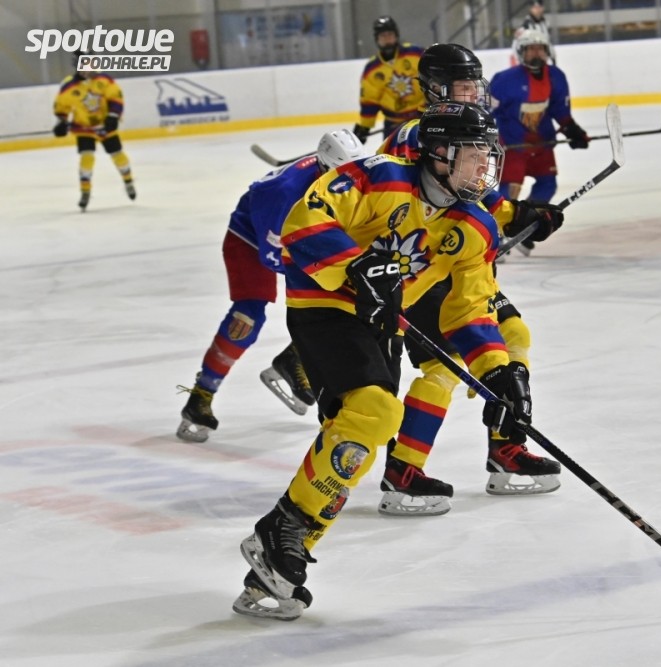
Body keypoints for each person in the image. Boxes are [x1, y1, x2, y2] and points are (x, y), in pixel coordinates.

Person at [234, 102, 535, 620]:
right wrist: (356, 267)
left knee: (355, 430)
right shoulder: (380, 177)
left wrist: (500, 373)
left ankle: (278, 561)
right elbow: (304, 220)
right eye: (472, 156)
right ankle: (282, 531)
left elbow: (470, 308)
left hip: (383, 322)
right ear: (438, 154)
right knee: (375, 411)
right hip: (324, 304)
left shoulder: (476, 226)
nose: (483, 168)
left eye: (487, 157)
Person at [375, 43, 563, 516]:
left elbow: (476, 194)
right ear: (435, 88)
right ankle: (404, 470)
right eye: (462, 86)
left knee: (513, 335)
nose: (472, 93)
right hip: (424, 269)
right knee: (446, 366)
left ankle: (506, 447)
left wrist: (524, 213)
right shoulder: (418, 135)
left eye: (473, 85)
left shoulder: (465, 126)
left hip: (463, 266)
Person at [176, 130, 365, 443]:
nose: (349, 183)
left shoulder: (347, 176)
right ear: (322, 167)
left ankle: (294, 358)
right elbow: (273, 257)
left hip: (303, 231)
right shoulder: (284, 194)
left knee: (347, 299)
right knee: (247, 317)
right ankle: (201, 395)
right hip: (250, 239)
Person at [490, 28, 588, 256]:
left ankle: (524, 225)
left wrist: (571, 129)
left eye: (540, 49)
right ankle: (496, 235)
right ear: (521, 52)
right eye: (531, 49)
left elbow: (559, 109)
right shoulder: (504, 80)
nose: (536, 53)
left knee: (548, 185)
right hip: (512, 145)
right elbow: (486, 110)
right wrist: (488, 136)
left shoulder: (556, 76)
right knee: (510, 190)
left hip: (541, 144)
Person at [52, 51, 136, 212]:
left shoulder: (104, 80)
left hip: (105, 125)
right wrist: (61, 122)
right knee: (87, 156)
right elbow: (61, 108)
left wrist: (113, 116)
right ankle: (85, 191)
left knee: (117, 154)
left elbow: (116, 98)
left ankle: (128, 181)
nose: (90, 68)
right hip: (84, 128)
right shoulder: (68, 87)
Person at [352, 16, 425, 145]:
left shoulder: (415, 54)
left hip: (424, 117)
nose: (387, 39)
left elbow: (434, 79)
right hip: (394, 124)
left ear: (396, 35)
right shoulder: (372, 69)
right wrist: (364, 127)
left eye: (390, 34)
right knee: (391, 156)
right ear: (377, 39)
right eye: (383, 36)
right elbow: (369, 102)